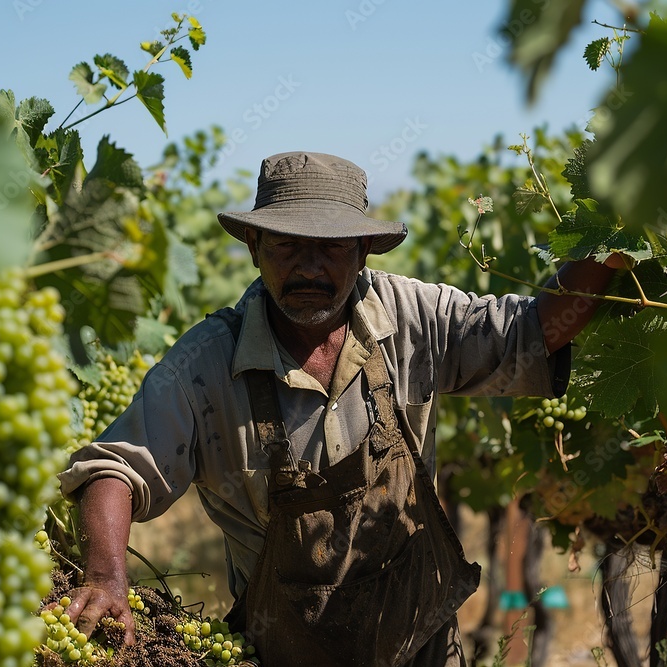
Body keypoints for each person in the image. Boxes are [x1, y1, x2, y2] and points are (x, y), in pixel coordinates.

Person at [58, 151, 621, 666]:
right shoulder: (205, 366)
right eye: (286, 246)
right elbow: (116, 468)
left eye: (330, 248)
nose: (309, 268)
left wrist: (620, 237)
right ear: (253, 248)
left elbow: (535, 332)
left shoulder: (410, 317)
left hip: (419, 646)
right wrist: (107, 577)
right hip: (283, 653)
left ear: (363, 250)